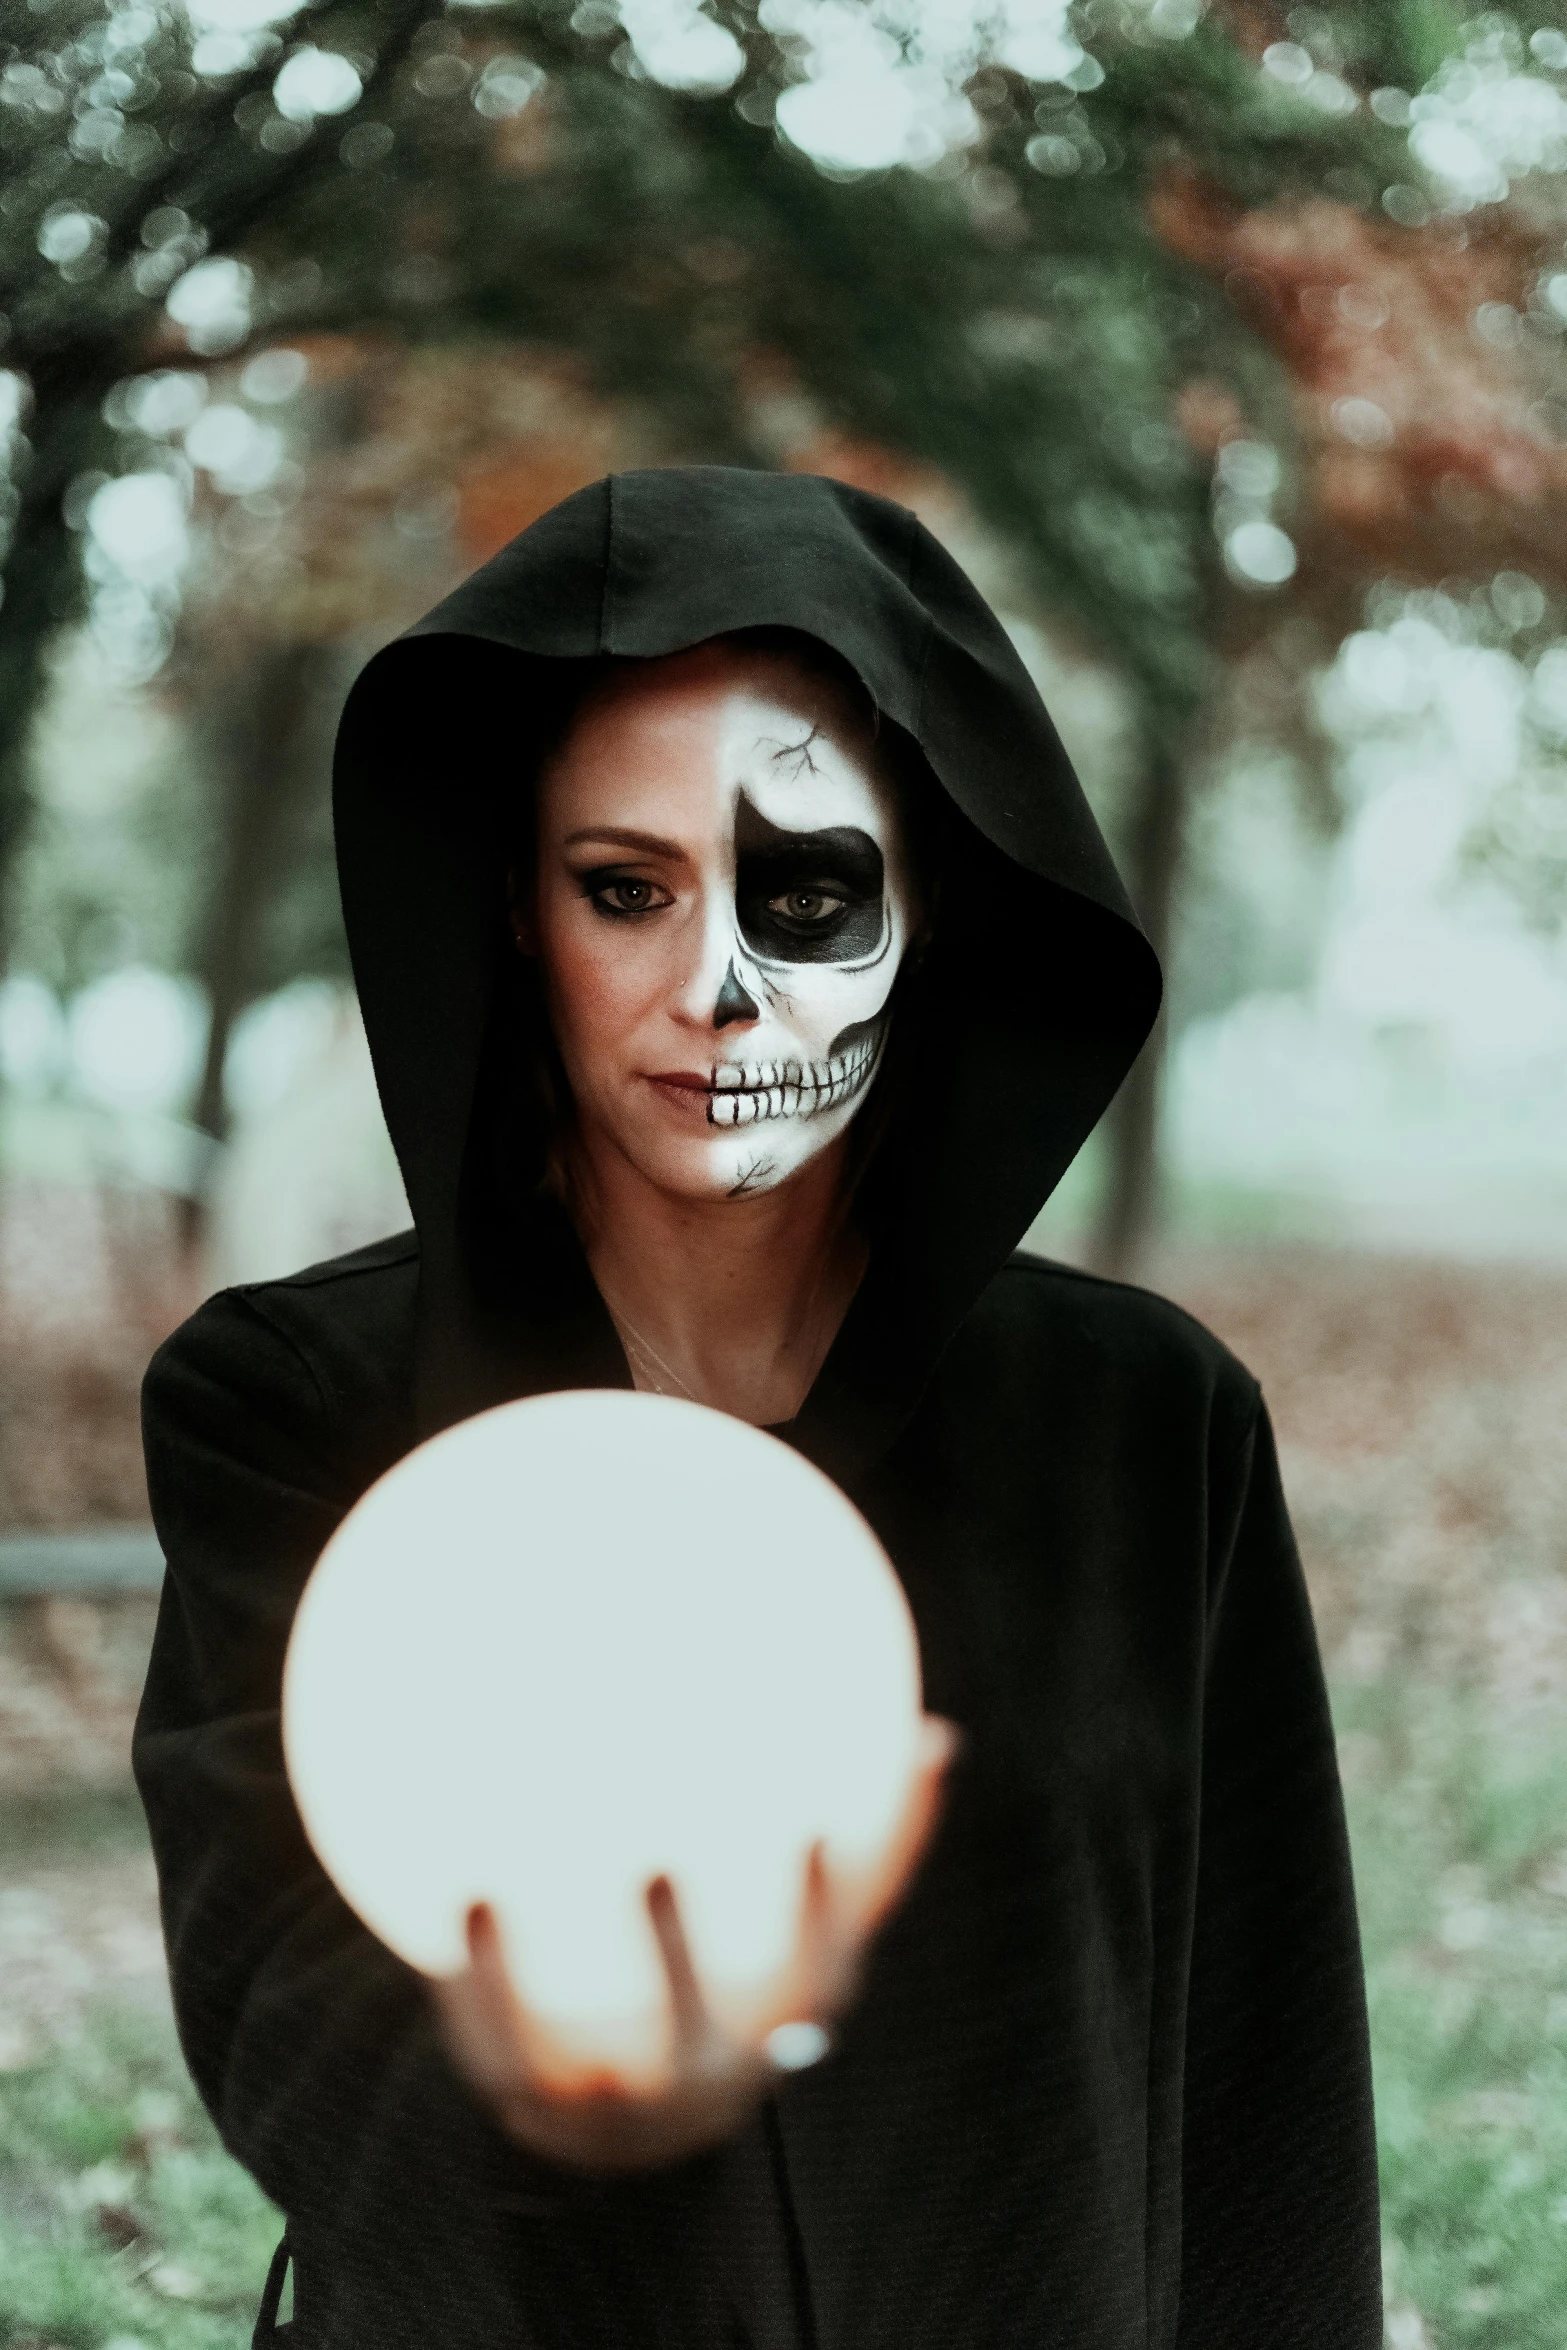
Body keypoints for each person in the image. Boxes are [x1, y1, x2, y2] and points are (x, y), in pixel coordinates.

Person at [133, 467, 1382, 2350]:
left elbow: (1265, 2075)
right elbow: (285, 2027)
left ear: (930, 907)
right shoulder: (302, 1410)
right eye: (624, 889)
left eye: (802, 891)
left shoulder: (1144, 1429)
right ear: (516, 913)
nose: (718, 987)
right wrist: (567, 2086)